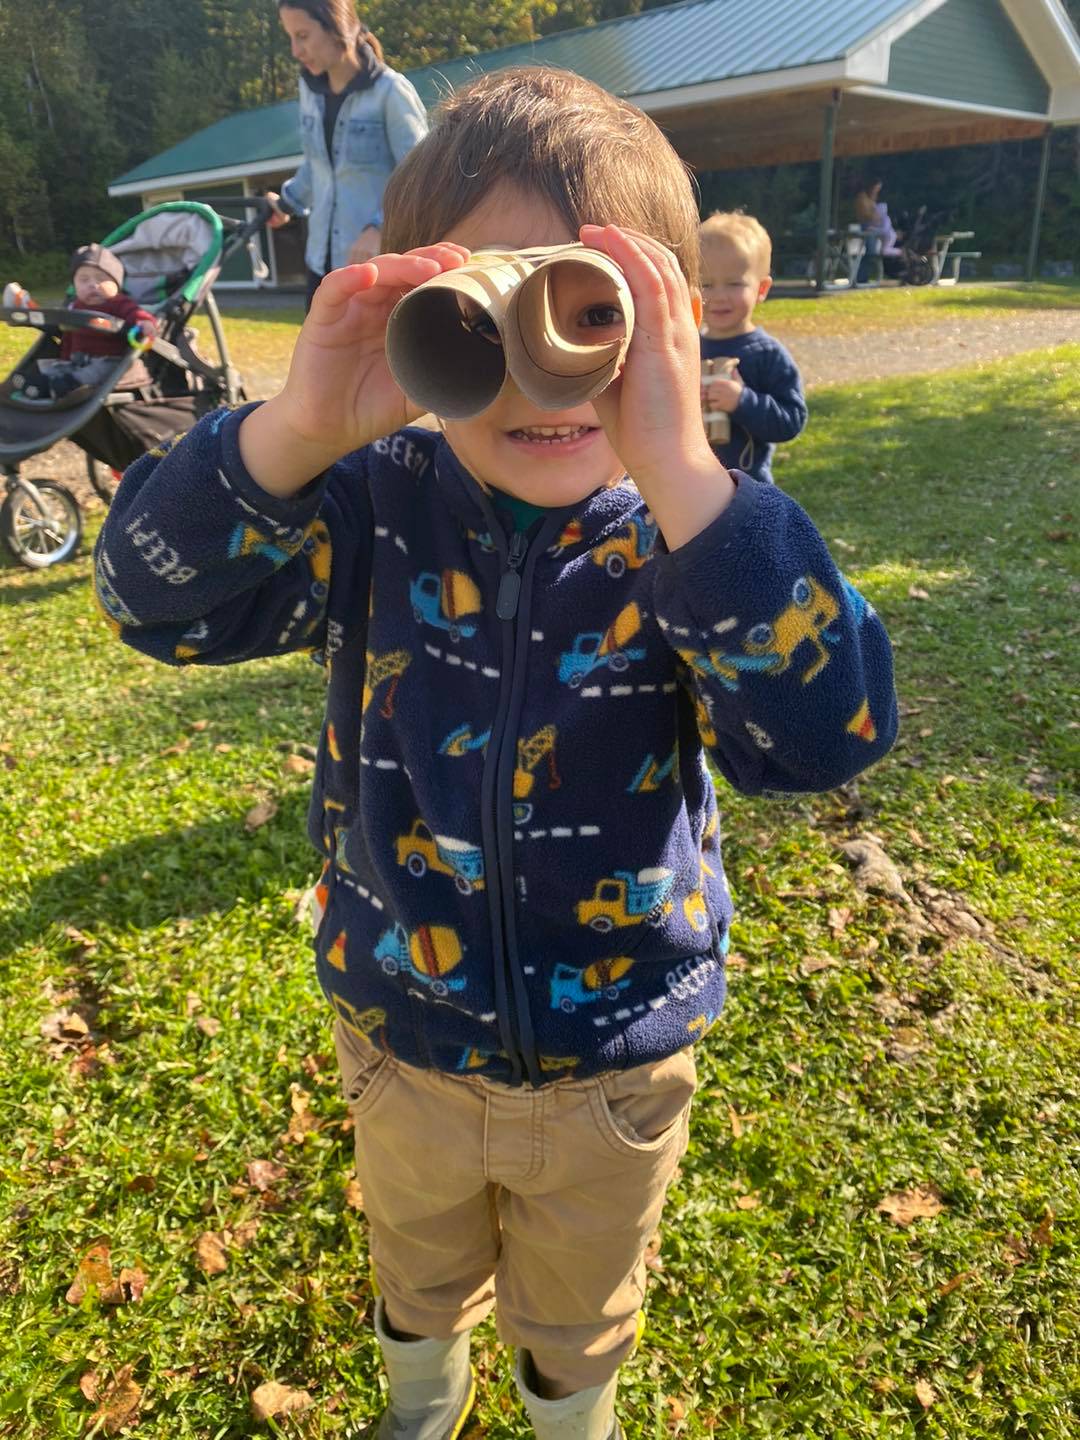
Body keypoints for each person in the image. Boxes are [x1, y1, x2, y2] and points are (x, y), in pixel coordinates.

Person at [94, 67, 898, 1440]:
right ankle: (422, 1403)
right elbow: (150, 601)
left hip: (616, 1062)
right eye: (490, 304)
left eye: (591, 311)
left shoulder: (700, 531)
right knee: (417, 1273)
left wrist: (689, 474)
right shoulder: (371, 503)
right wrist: (294, 432)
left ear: (666, 324)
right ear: (422, 310)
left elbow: (826, 736)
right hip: (406, 1036)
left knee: (579, 1312)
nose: (543, 368)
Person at [266, 0, 428, 311]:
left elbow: (421, 177)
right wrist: (287, 202)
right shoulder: (309, 91)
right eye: (290, 38)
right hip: (319, 266)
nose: (295, 51)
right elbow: (317, 165)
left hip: (373, 272)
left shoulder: (391, 93)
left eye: (302, 35)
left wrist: (380, 228)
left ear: (339, 28)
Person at [698, 211, 807, 485]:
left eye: (734, 283)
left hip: (748, 490)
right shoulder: (688, 346)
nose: (718, 296)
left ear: (761, 289)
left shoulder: (767, 354)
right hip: (691, 488)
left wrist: (742, 401)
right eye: (706, 284)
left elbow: (790, 421)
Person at [5, 244, 156, 406]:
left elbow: (135, 313)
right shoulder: (74, 306)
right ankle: (36, 383)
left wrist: (145, 322)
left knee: (92, 373)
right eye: (84, 280)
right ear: (74, 285)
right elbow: (67, 335)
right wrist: (64, 358)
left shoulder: (119, 303)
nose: (93, 284)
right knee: (57, 368)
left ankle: (57, 388)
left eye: (101, 279)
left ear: (117, 285)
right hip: (76, 360)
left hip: (107, 360)